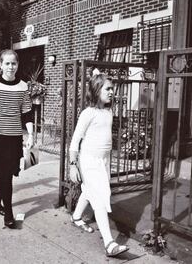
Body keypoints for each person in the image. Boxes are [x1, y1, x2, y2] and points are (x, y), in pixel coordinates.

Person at [68, 72, 129, 257]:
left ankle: (77, 217)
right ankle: (110, 244)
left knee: (89, 191)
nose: (112, 92)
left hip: (103, 161)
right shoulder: (88, 113)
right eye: (107, 89)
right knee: (101, 197)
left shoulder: (108, 112)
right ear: (96, 90)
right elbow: (75, 141)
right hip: (89, 161)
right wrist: (73, 165)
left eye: (112, 89)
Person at [0, 49, 34, 229]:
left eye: (14, 63)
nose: (11, 67)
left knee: (7, 173)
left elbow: (27, 112)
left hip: (14, 137)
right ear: (1, 65)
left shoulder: (23, 86)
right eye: (7, 63)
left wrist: (31, 135)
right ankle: (8, 214)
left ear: (18, 65)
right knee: (4, 175)